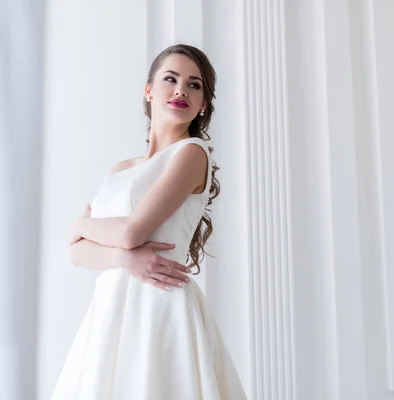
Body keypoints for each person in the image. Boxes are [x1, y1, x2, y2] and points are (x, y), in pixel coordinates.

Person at [51, 44, 247, 400]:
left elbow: (129, 232)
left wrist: (80, 226)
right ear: (149, 90)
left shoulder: (190, 154)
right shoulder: (120, 170)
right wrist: (124, 259)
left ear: (203, 104)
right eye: (170, 79)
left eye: (194, 85)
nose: (180, 90)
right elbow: (78, 256)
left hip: (159, 306)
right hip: (109, 312)